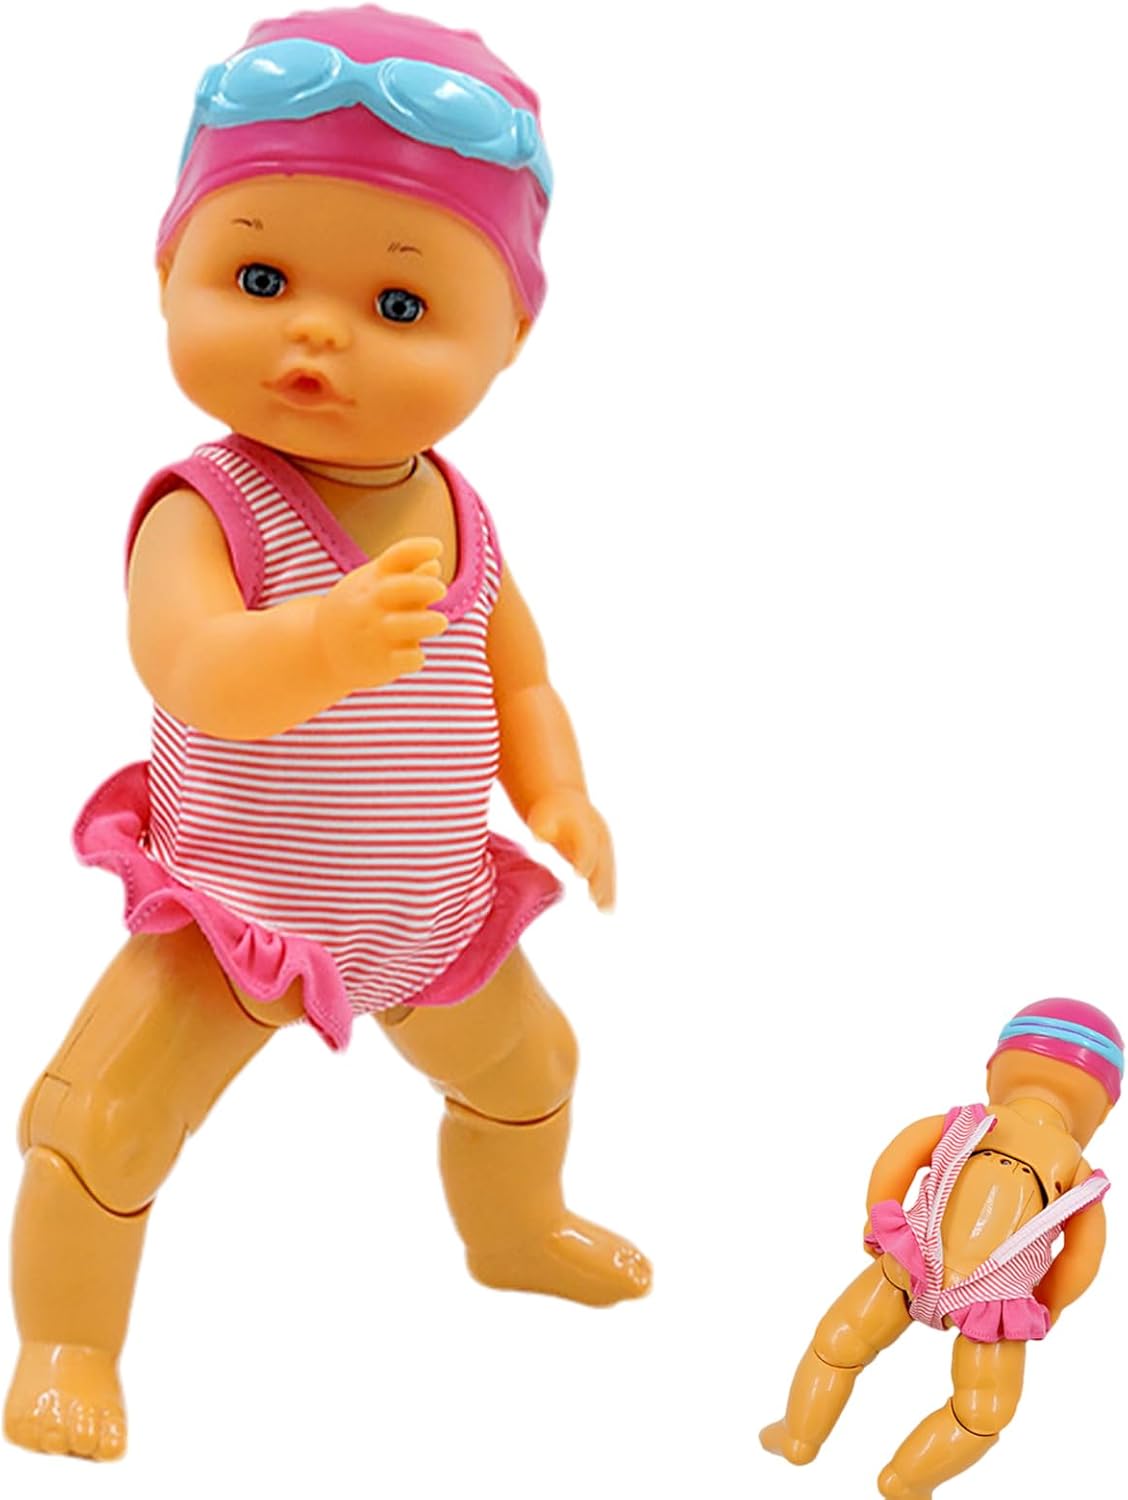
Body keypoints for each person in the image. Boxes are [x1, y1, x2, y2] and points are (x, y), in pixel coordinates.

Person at [5, 5, 650, 1462]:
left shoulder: (463, 514)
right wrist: (320, 644)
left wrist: (559, 793)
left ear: (513, 336)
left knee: (533, 1074)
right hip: (237, 907)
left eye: (401, 305)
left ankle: (517, 1231)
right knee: (97, 1127)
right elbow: (192, 669)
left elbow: (519, 678)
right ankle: (66, 1344)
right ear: (166, 270)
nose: (316, 329)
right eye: (259, 277)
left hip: (423, 909)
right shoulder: (209, 507)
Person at [760, 999, 1119, 1498]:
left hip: (910, 1264)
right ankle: (907, 1480)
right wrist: (1050, 1302)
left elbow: (898, 1158)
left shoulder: (966, 1122)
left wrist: (878, 1217)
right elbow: (1083, 1257)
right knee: (983, 1413)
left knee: (836, 1346)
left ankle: (799, 1436)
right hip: (995, 1303)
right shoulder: (1077, 1174)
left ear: (995, 1069)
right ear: (1103, 1110)